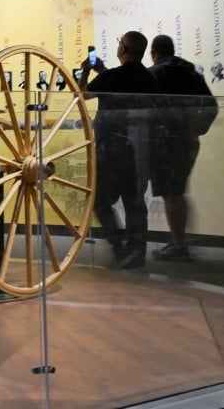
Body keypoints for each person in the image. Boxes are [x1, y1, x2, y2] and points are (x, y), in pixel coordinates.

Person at [78, 31, 159, 270]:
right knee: (135, 201)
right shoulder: (149, 79)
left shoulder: (113, 77)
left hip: (111, 148)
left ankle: (117, 245)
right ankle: (136, 251)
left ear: (123, 49)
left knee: (99, 200)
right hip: (139, 148)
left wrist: (85, 71)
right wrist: (102, 71)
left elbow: (82, 94)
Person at [147, 35, 216, 262]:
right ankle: (180, 241)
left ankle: (179, 244)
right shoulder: (191, 73)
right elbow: (211, 106)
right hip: (187, 140)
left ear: (154, 53)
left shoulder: (154, 74)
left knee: (171, 193)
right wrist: (197, 129)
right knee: (178, 191)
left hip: (163, 142)